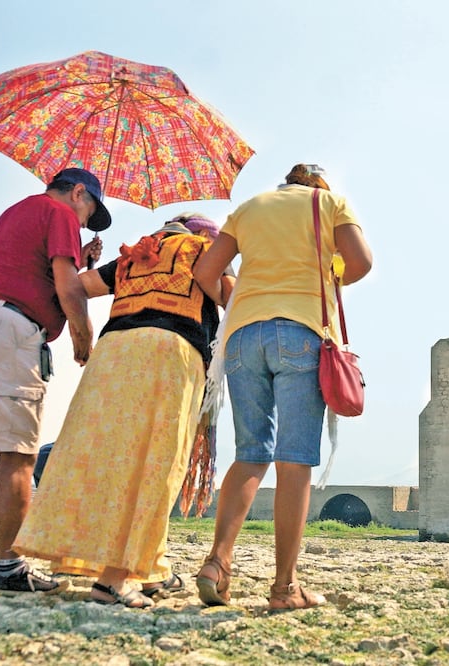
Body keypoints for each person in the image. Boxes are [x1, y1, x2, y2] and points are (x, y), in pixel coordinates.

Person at [13, 217, 222, 608]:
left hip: (113, 354)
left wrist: (87, 263)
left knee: (105, 456)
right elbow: (232, 295)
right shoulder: (202, 251)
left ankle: (147, 570)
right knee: (153, 464)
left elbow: (77, 286)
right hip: (169, 352)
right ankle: (113, 579)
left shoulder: (135, 254)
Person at [191, 163, 372, 610]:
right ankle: (284, 588)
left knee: (251, 453)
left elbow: (206, 272)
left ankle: (218, 562)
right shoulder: (330, 203)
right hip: (300, 332)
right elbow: (362, 263)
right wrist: (327, 279)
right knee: (293, 461)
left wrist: (246, 301)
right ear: (318, 187)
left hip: (242, 337)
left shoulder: (250, 208)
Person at [0, 168, 108, 595]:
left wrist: (85, 258)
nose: (82, 223)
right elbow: (67, 288)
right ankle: (9, 567)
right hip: (13, 329)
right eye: (87, 212)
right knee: (19, 454)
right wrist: (83, 338)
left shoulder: (16, 211)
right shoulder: (58, 214)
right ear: (78, 193)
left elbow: (28, 267)